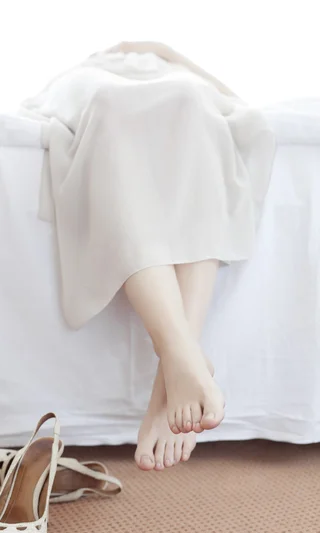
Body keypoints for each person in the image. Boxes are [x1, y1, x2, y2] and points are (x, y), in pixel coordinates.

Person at [22, 41, 276, 472]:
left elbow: (218, 89)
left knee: (192, 105)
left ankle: (178, 363)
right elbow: (45, 99)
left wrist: (167, 55)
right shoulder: (90, 66)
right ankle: (183, 356)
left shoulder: (170, 61)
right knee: (109, 104)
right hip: (99, 86)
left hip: (179, 84)